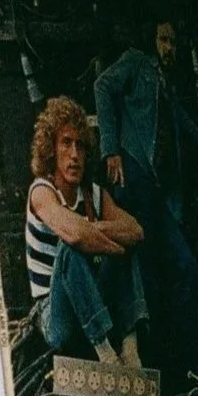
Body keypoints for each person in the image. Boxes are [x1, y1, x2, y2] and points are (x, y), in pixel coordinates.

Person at [94, 17, 198, 377]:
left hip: (159, 197)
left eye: (175, 42)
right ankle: (158, 374)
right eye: (165, 40)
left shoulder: (167, 84)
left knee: (183, 270)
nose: (171, 48)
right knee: (147, 279)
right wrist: (111, 150)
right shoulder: (136, 62)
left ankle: (197, 370)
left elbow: (182, 121)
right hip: (133, 181)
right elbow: (102, 86)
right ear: (152, 39)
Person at [24, 95, 147, 366]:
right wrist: (109, 242)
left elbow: (135, 230)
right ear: (51, 150)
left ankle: (130, 347)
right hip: (55, 316)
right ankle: (106, 355)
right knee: (70, 247)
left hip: (91, 305)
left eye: (80, 145)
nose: (74, 154)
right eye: (66, 143)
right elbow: (76, 234)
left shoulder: (93, 194)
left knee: (127, 242)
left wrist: (101, 235)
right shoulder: (42, 191)